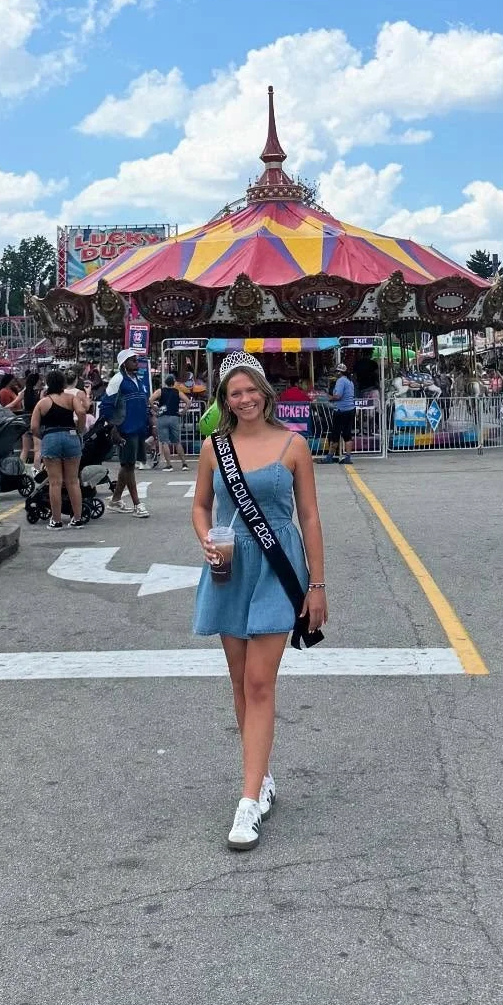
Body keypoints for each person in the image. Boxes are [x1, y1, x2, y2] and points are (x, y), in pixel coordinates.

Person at [191, 353, 329, 851]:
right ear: (225, 400)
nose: (245, 400)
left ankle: (248, 801)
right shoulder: (215, 447)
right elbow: (201, 505)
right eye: (235, 393)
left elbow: (310, 517)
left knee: (258, 682)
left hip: (278, 567)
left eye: (252, 391)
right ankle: (262, 775)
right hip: (230, 568)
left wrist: (317, 585)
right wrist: (206, 538)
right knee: (238, 681)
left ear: (266, 393)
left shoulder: (294, 445)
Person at [32, 368, 89, 529]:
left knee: (55, 482)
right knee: (73, 481)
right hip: (70, 436)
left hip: (51, 437)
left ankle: (56, 520)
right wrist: (79, 429)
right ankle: (77, 519)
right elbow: (81, 412)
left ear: (47, 383)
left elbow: (34, 427)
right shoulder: (71, 398)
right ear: (64, 383)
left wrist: (44, 436)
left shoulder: (43, 402)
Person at [102, 347, 152, 516]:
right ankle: (137, 504)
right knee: (128, 466)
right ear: (124, 363)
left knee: (128, 465)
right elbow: (106, 405)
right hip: (125, 429)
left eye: (136, 360)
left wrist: (150, 423)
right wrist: (114, 427)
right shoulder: (117, 380)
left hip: (138, 429)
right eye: (133, 360)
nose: (136, 362)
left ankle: (115, 500)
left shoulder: (138, 380)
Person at [156, 371, 186, 470]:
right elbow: (188, 401)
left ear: (165, 382)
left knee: (164, 442)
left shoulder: (160, 391)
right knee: (177, 441)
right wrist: (183, 412)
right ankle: (184, 464)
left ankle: (169, 465)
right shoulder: (178, 392)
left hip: (162, 417)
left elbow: (150, 399)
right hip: (174, 417)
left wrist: (157, 409)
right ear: (173, 382)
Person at [329, 360, 356, 465]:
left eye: (336, 372)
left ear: (339, 372)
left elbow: (338, 396)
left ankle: (330, 457)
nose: (335, 374)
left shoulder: (340, 381)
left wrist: (328, 397)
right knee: (347, 434)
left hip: (341, 411)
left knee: (335, 434)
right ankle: (348, 457)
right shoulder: (350, 381)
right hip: (350, 409)